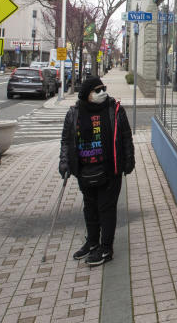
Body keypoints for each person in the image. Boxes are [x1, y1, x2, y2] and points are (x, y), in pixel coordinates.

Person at [59, 76, 134, 266]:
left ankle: (106, 248)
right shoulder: (74, 113)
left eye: (104, 89)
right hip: (85, 170)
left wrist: (128, 160)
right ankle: (92, 242)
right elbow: (66, 141)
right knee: (90, 208)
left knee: (106, 209)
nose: (102, 93)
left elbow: (126, 137)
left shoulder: (115, 110)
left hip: (110, 170)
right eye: (97, 91)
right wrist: (65, 163)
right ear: (86, 95)